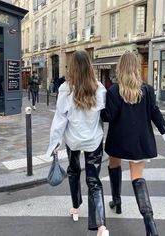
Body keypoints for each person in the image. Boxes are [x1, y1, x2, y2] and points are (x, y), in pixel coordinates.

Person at [101, 52, 165, 236]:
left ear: (120, 68)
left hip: (118, 141)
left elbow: (107, 117)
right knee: (138, 178)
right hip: (139, 143)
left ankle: (116, 201)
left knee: (114, 164)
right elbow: (155, 114)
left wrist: (99, 109)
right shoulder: (147, 90)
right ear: (136, 67)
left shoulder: (113, 91)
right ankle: (150, 223)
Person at [46, 50, 109, 236]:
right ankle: (101, 226)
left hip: (73, 140)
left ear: (72, 68)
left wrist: (54, 143)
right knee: (94, 181)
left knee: (73, 172)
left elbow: (60, 120)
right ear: (90, 67)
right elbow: (103, 116)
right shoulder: (100, 88)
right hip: (94, 140)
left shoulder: (65, 89)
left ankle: (75, 207)